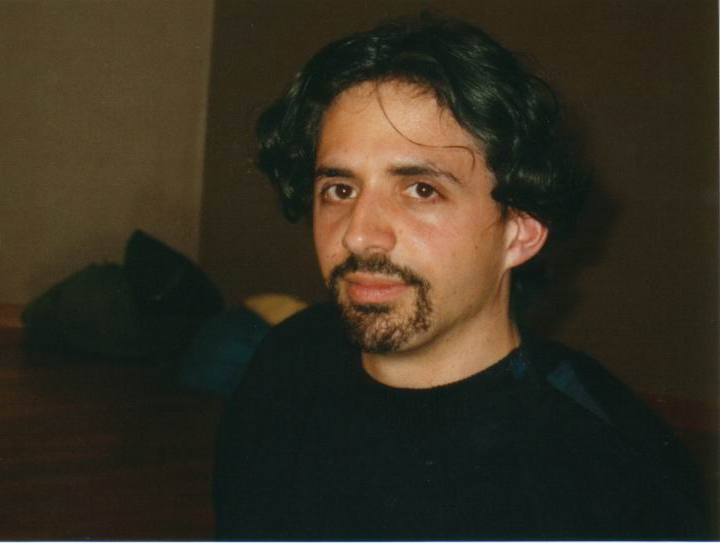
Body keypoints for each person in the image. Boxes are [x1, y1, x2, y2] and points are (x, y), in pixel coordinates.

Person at [213, 15, 707, 540]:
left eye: (421, 190)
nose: (359, 235)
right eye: (340, 189)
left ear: (519, 231)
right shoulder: (288, 362)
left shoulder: (607, 478)